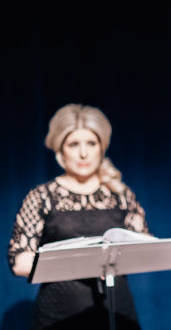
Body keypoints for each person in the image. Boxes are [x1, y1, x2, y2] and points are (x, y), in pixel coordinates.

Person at [7, 103, 149, 330]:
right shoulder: (41, 197)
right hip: (58, 315)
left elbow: (146, 250)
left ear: (101, 147)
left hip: (116, 312)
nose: (84, 153)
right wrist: (84, 262)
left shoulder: (121, 195)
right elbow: (19, 261)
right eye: (74, 144)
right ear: (60, 150)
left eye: (91, 143)